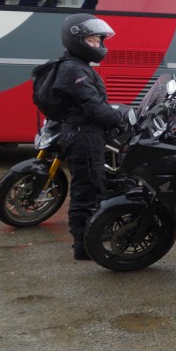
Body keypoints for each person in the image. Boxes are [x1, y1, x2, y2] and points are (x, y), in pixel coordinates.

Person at [53, 14, 129, 261]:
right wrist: (122, 118)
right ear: (77, 40)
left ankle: (89, 237)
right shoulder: (73, 69)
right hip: (83, 136)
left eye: (98, 40)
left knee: (94, 185)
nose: (98, 45)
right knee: (86, 191)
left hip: (86, 134)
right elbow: (94, 108)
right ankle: (83, 246)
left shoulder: (77, 66)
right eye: (93, 40)